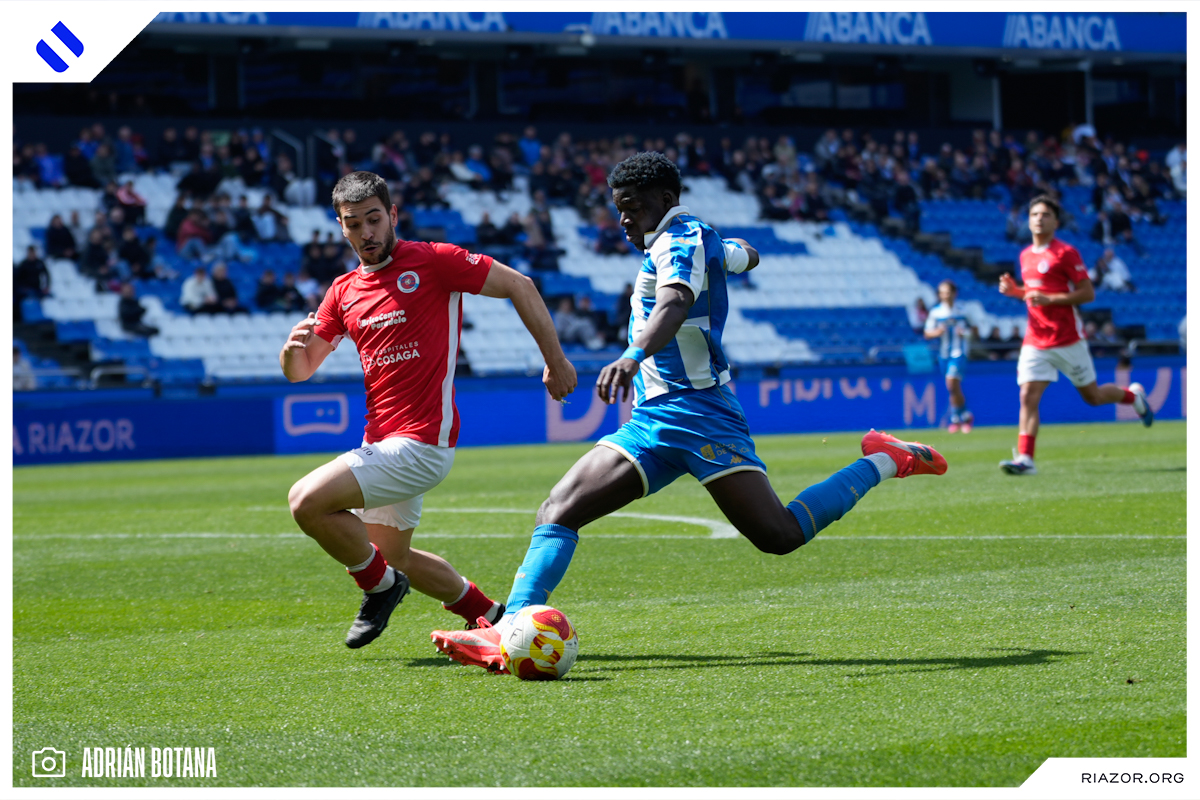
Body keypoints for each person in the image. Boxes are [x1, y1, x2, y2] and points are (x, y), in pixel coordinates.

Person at [431, 152, 948, 673]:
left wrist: (632, 356)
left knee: (780, 535)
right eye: (619, 208)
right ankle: (506, 631)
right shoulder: (692, 240)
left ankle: (885, 458)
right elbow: (746, 255)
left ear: (666, 200)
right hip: (651, 421)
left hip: (701, 415)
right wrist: (735, 252)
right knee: (558, 509)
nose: (623, 219)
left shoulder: (679, 242)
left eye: (633, 207)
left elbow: (674, 303)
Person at [280, 171, 577, 650]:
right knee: (394, 557)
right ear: (341, 227)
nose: (366, 232)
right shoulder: (342, 291)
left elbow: (520, 285)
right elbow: (301, 369)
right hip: (381, 443)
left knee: (305, 501)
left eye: (374, 219)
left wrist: (555, 360)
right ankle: (490, 615)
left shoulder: (434, 260)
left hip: (421, 444)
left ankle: (379, 587)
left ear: (393, 215)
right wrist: (290, 352)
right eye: (354, 224)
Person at [997, 195, 1153, 476]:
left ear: (1056, 222)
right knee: (1028, 395)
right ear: (1028, 221)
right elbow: (1035, 295)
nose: (1039, 219)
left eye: (1045, 214)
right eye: (1034, 214)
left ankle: (1134, 397)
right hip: (1035, 340)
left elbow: (1087, 293)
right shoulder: (1025, 255)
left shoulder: (1066, 252)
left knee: (1092, 397)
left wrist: (1051, 299)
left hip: (1067, 338)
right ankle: (1025, 459)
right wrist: (1015, 292)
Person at [924, 280, 979, 433]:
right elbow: (927, 333)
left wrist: (965, 333)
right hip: (943, 354)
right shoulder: (936, 312)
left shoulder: (963, 311)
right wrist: (937, 332)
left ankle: (955, 417)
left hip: (959, 352)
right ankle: (965, 415)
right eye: (942, 293)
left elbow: (975, 330)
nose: (945, 296)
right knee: (953, 387)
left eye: (947, 292)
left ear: (954, 293)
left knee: (951, 382)